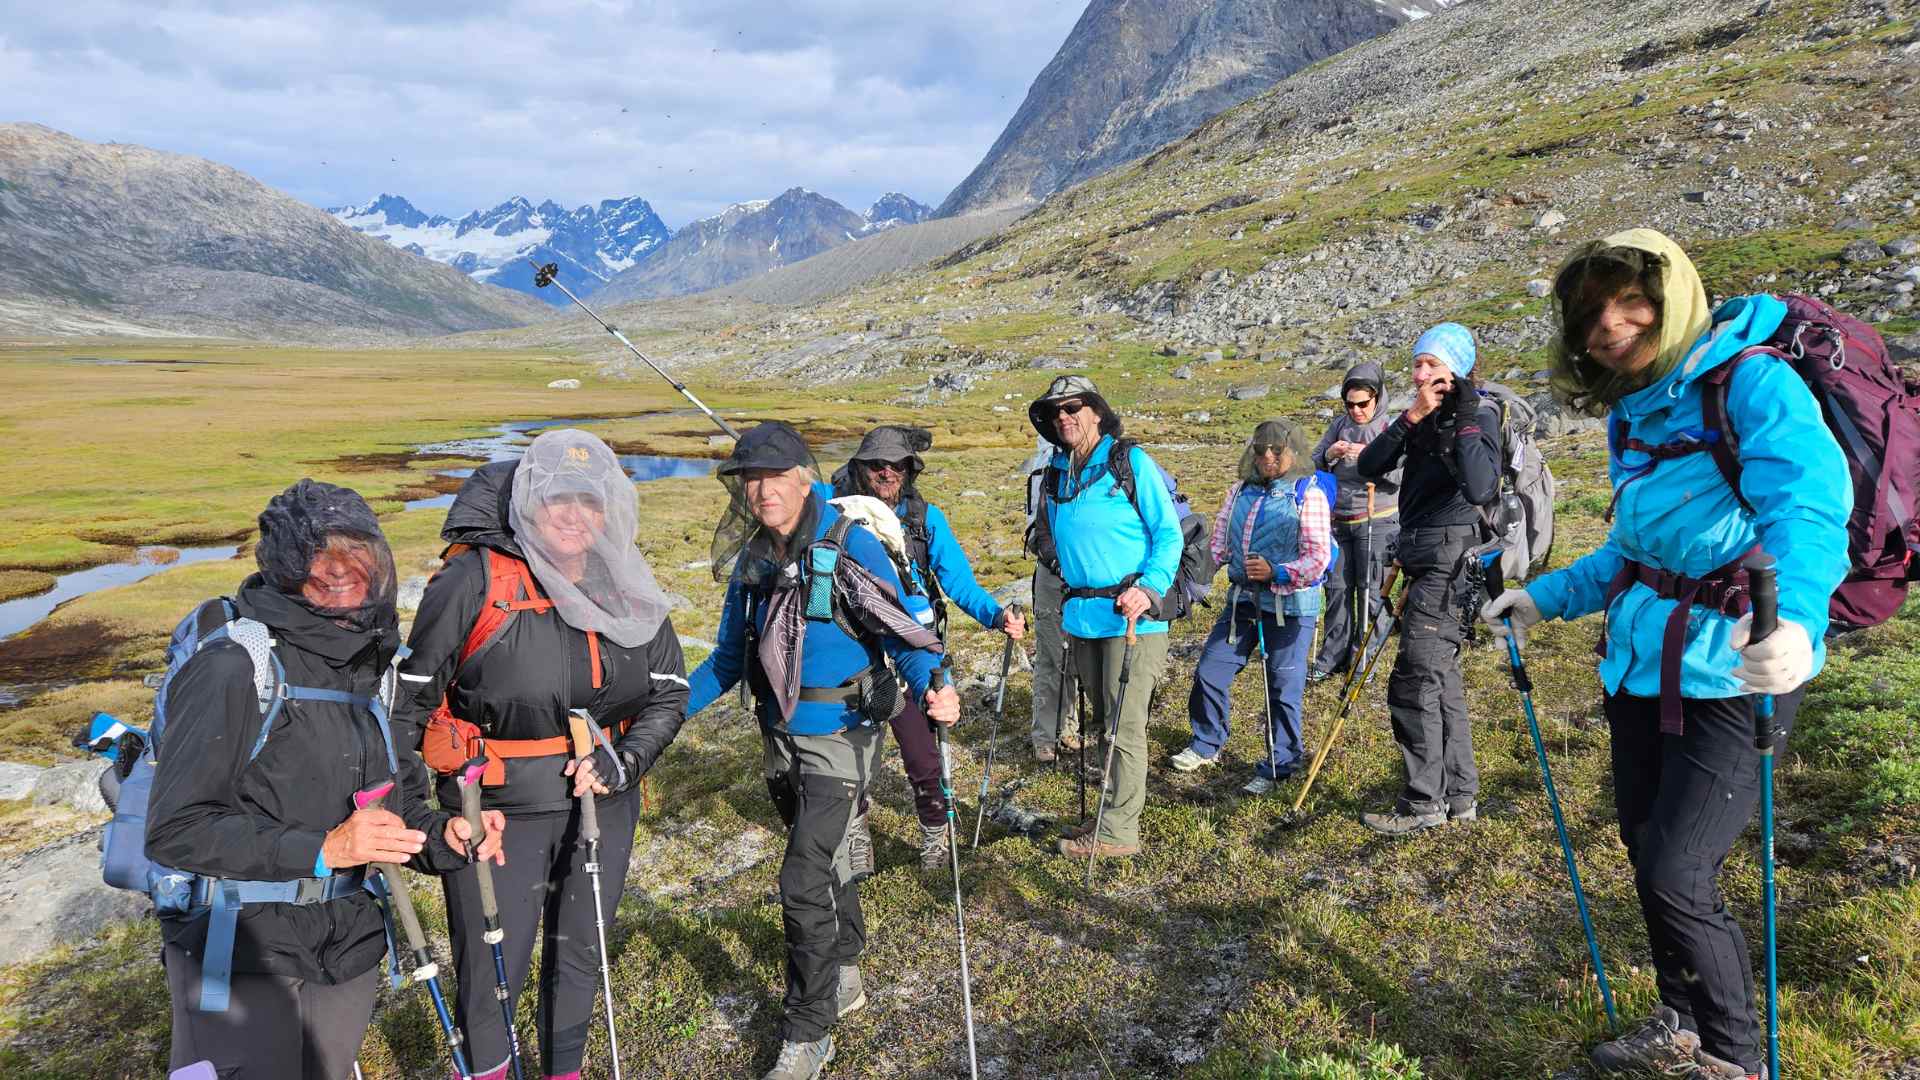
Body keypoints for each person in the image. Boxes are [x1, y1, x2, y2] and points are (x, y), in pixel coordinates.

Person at [1481, 229, 1851, 1080]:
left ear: (1672, 296)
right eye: (1591, 312)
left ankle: (1734, 1060)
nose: (1610, 324)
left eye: (1630, 302)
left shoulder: (1749, 382)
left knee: (1679, 868)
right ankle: (1679, 1023)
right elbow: (1634, 552)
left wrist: (1793, 622)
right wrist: (1547, 594)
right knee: (1649, 853)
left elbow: (1808, 510)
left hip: (1735, 670)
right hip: (1642, 669)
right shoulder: (1633, 410)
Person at [148, 479, 504, 1079]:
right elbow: (176, 830)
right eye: (319, 553)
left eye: (355, 550)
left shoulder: (374, 671)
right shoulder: (235, 666)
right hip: (242, 949)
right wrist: (324, 849)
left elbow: (398, 804)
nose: (340, 569)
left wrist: (444, 837)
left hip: (346, 948)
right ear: (285, 568)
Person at [395, 430, 688, 1080]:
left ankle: (564, 1072)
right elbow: (406, 712)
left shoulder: (621, 577)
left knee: (581, 951)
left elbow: (671, 688)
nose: (575, 515)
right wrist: (423, 821)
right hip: (496, 810)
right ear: (529, 502)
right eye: (559, 498)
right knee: (491, 966)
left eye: (589, 500)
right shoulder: (475, 579)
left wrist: (626, 760)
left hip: (603, 803)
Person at [685, 422, 959, 1080]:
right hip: (779, 734)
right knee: (830, 861)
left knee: (800, 880)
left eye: (774, 477)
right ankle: (847, 972)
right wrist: (658, 714)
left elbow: (903, 634)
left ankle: (810, 1030)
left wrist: (935, 690)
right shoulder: (754, 562)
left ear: (805, 480)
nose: (761, 490)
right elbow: (726, 663)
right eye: (750, 478)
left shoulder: (851, 545)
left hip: (843, 736)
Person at [832, 425, 1025, 869]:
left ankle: (936, 835)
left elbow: (958, 581)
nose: (887, 473)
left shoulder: (924, 519)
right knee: (852, 754)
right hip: (851, 654)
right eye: (877, 464)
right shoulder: (832, 509)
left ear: (909, 469)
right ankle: (857, 833)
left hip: (912, 653)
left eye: (897, 465)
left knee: (923, 751)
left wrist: (995, 616)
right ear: (860, 467)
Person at [1355, 323, 1502, 835]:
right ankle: (1460, 797)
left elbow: (1482, 484)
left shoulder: (1479, 413)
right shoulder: (1420, 416)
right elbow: (1371, 466)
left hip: (1449, 558)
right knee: (1440, 680)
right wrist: (1411, 417)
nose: (1420, 374)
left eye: (1432, 365)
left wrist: (1460, 413)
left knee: (1414, 679)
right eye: (1416, 363)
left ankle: (1423, 805)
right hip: (1424, 552)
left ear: (1457, 370)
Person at [1027, 375, 1182, 861]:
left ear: (1096, 411)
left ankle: (1118, 833)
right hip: (1084, 617)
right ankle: (1111, 811)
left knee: (1123, 726)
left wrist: (1149, 588)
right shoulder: (1058, 473)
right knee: (1100, 724)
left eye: (1075, 407)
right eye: (1057, 411)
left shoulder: (1129, 461)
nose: (1065, 417)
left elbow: (1169, 534)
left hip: (1131, 618)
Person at [1171, 420, 1332, 794]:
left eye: (1277, 449)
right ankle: (1206, 743)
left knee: (1282, 686)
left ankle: (1282, 763)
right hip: (1244, 601)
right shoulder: (1239, 491)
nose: (1269, 457)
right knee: (1211, 669)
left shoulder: (1308, 494)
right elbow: (1219, 547)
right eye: (1261, 450)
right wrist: (1187, 574)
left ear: (1294, 451)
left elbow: (1317, 558)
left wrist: (1277, 571)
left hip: (1291, 607)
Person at [1309, 362, 1402, 681]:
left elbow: (1406, 474)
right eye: (1350, 404)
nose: (1357, 410)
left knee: (1371, 591)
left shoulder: (1392, 428)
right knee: (1336, 589)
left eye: (1363, 404)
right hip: (1339, 520)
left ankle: (1363, 660)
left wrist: (1370, 457)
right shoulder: (1338, 425)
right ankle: (1331, 657)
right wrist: (1329, 455)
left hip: (1378, 519)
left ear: (1377, 398)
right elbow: (1313, 463)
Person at [1023, 434, 1081, 763]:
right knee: (1050, 655)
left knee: (1078, 655)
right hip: (1052, 573)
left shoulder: (1107, 464)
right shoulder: (1044, 467)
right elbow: (1034, 527)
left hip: (1089, 576)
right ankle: (1046, 735)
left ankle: (1068, 727)